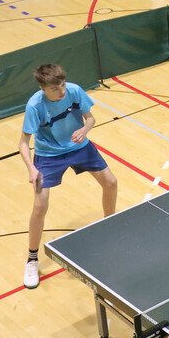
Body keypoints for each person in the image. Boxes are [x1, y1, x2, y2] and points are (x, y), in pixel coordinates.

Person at [19, 63, 117, 289]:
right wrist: (31, 168)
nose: (62, 91)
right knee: (40, 206)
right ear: (43, 88)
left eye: (62, 85)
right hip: (48, 156)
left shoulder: (74, 91)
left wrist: (84, 130)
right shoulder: (35, 106)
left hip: (80, 147)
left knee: (111, 183)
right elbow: (23, 143)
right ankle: (32, 259)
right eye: (55, 89)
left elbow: (90, 118)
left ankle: (110, 226)